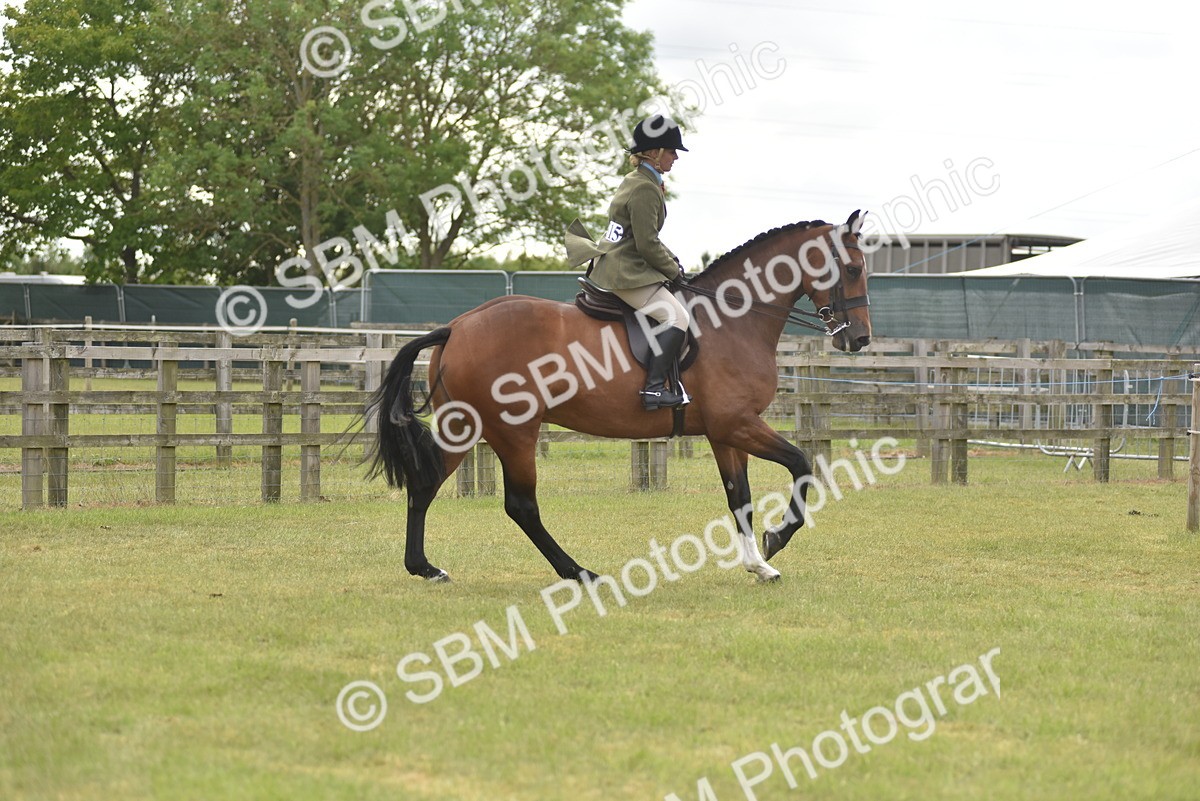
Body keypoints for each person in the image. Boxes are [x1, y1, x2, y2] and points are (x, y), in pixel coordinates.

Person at [565, 115, 692, 410]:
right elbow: (647, 244)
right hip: (625, 271)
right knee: (678, 319)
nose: (675, 157)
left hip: (618, 262)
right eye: (671, 151)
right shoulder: (645, 188)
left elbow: (643, 238)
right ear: (654, 152)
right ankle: (654, 390)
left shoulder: (637, 180)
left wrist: (673, 261)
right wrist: (674, 273)